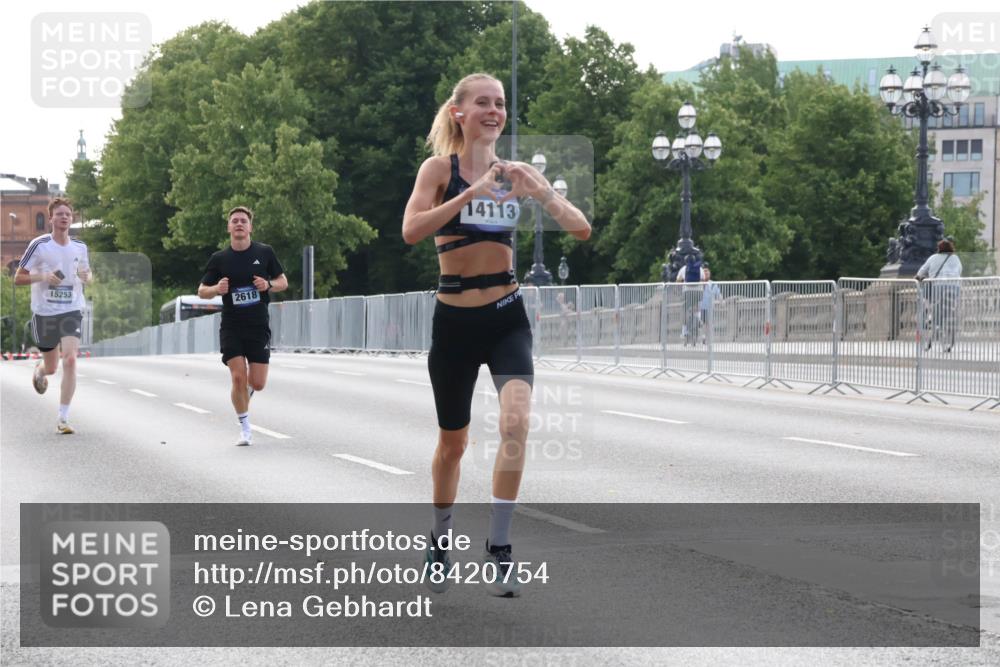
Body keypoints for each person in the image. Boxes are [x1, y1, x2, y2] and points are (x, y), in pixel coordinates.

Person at [402, 73, 590, 597]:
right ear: (459, 112)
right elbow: (412, 231)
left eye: (501, 103)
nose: (494, 110)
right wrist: (473, 194)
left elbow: (580, 228)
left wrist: (542, 191)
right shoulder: (439, 170)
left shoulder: (516, 173)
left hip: (507, 314)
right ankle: (440, 541)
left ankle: (499, 548)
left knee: (516, 422)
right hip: (455, 321)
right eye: (482, 102)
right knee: (453, 444)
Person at [198, 206, 288, 445]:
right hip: (232, 326)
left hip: (258, 326)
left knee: (257, 383)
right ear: (229, 227)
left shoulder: (265, 252)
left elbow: (283, 282)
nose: (239, 224)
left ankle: (244, 395)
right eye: (235, 221)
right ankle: (245, 428)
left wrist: (268, 285)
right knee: (238, 377)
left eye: (243, 221)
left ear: (250, 227)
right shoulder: (220, 259)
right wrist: (217, 289)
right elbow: (201, 291)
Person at [14, 198, 90, 434]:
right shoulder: (39, 245)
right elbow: (18, 278)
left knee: (70, 360)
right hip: (45, 312)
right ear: (51, 219)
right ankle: (40, 369)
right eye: (59, 214)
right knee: (52, 367)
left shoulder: (80, 247)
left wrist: (87, 277)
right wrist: (44, 277)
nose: (64, 217)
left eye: (68, 214)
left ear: (72, 218)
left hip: (71, 309)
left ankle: (63, 418)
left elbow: (87, 273)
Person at [915, 237, 962, 352]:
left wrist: (920, 278)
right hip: (954, 288)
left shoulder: (933, 258)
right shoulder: (955, 258)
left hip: (939, 288)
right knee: (948, 313)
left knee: (934, 308)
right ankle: (948, 338)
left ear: (939, 248)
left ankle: (931, 316)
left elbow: (920, 273)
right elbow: (959, 271)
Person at [698, 267, 722, 345]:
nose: (706, 274)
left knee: (710, 323)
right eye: (704, 273)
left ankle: (708, 338)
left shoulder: (713, 284)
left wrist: (722, 301)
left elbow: (718, 294)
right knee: (703, 323)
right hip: (701, 307)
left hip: (710, 307)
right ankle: (704, 337)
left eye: (707, 273)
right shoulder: (699, 283)